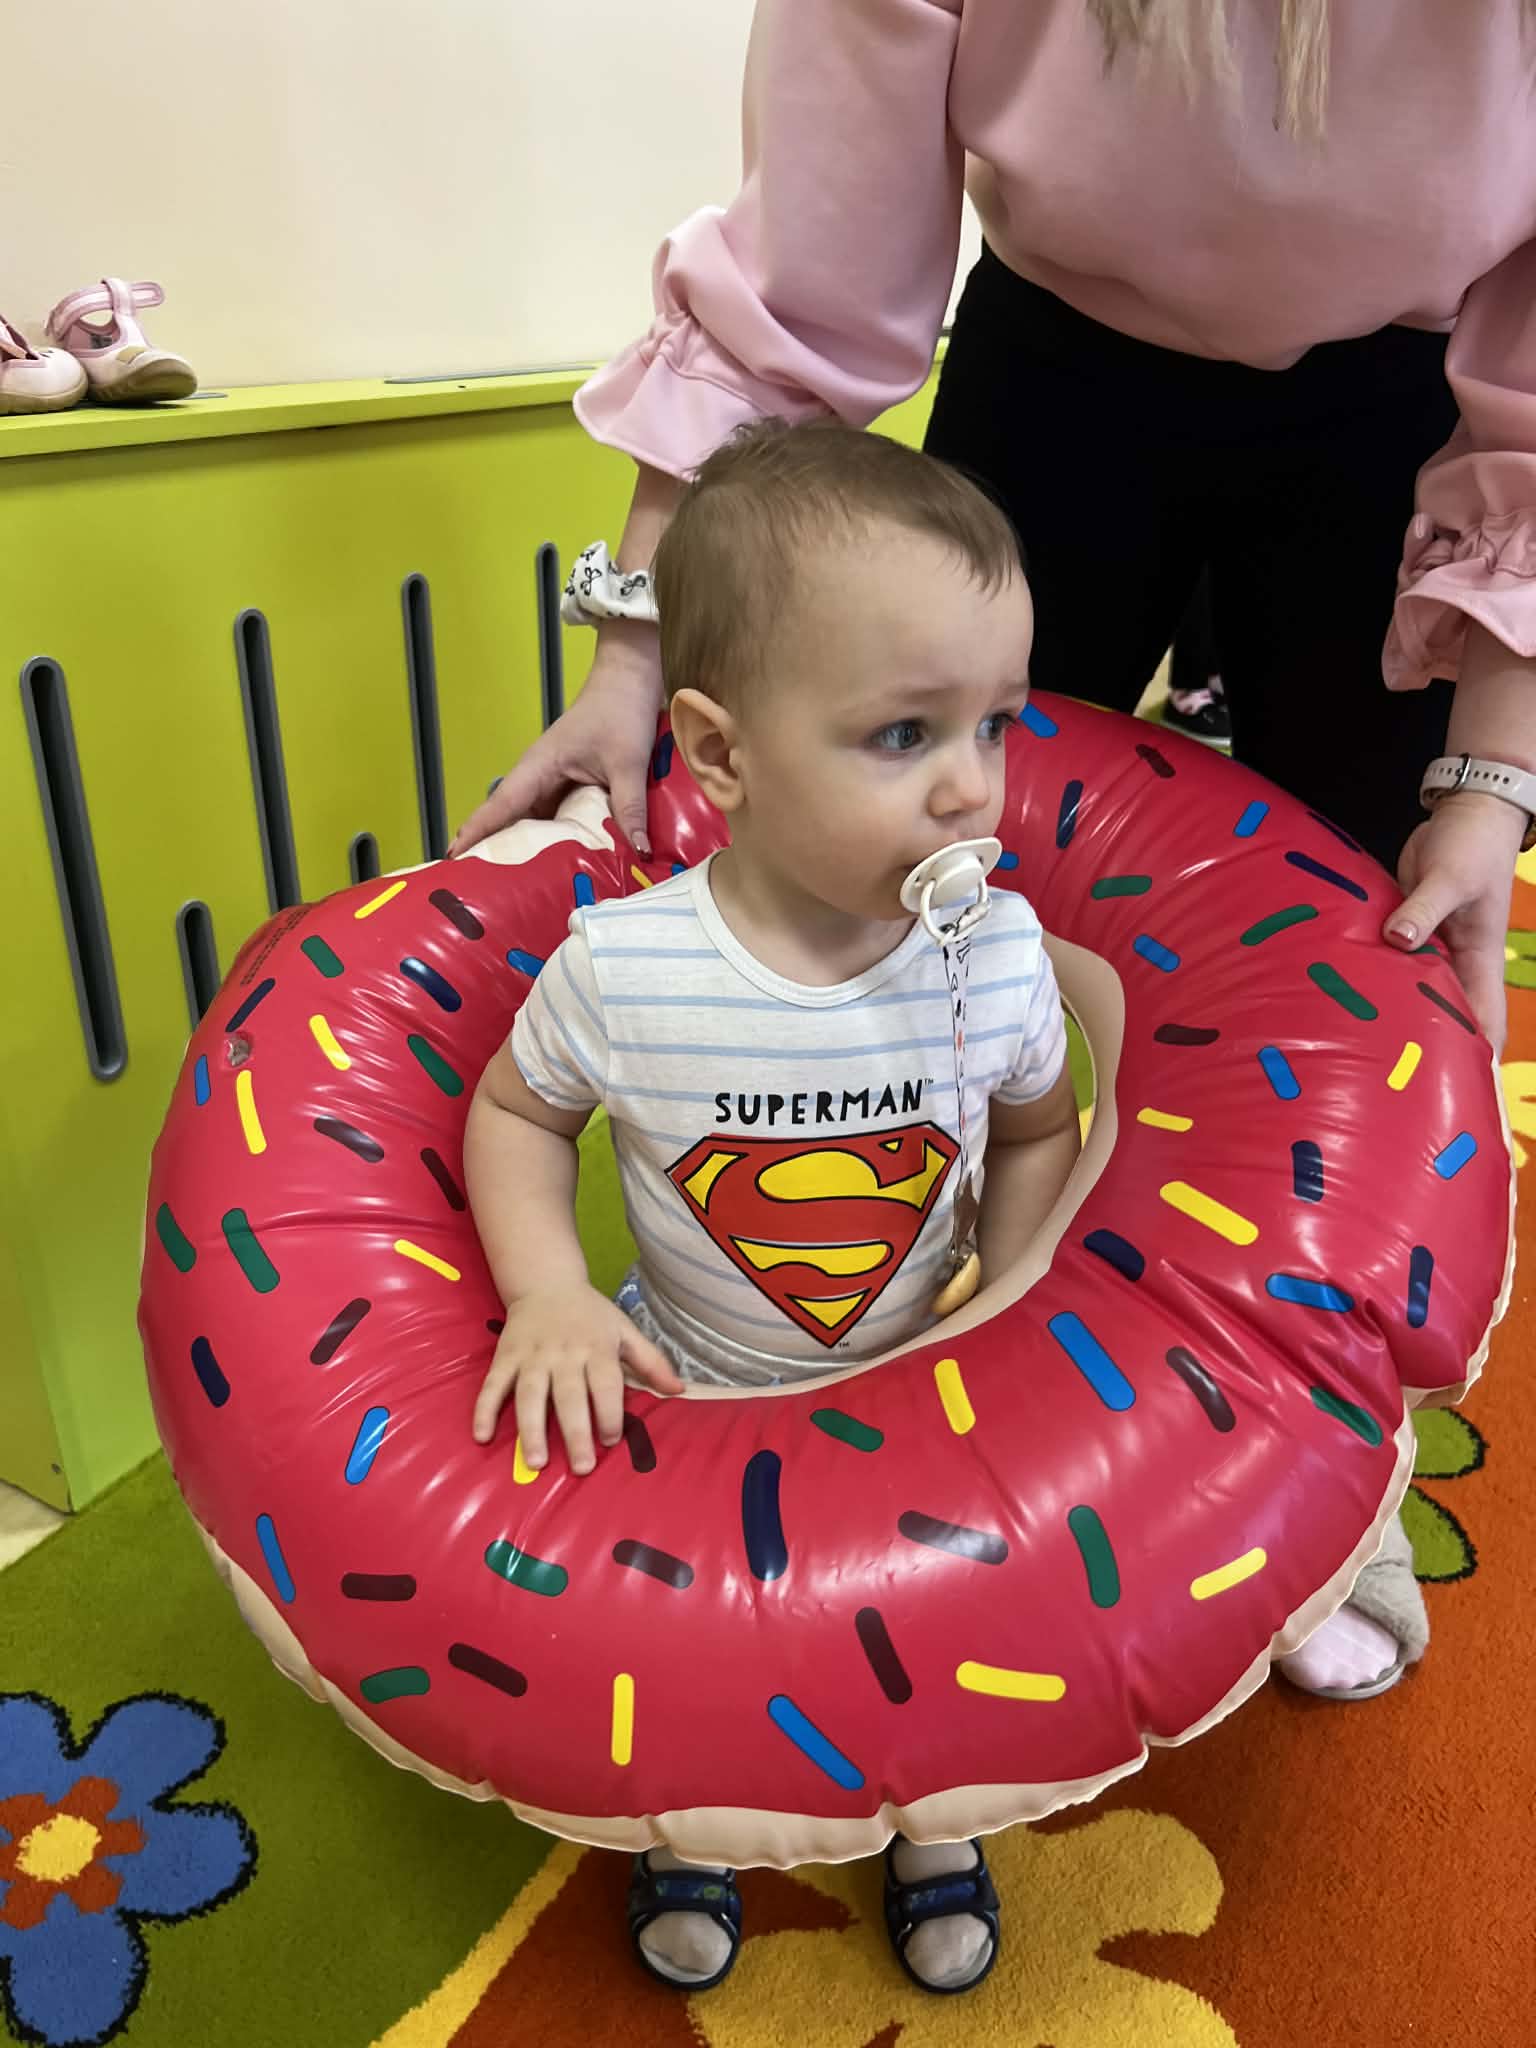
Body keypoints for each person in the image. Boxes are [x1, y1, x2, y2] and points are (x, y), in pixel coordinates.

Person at [453, 0, 1536, 1705]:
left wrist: (1493, 769)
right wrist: (633, 657)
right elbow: (797, 293)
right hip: (1061, 372)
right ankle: (870, 1355)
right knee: (899, 862)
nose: (970, 779)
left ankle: (1321, 1469)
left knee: (1351, 954)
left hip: (1401, 413)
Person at [463, 421, 1082, 1995]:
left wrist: (1013, 1298)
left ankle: (935, 1826)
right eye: (903, 733)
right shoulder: (627, 967)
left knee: (940, 1641)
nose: (972, 786)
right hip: (691, 1397)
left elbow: (1034, 1134)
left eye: (996, 724)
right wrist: (549, 1292)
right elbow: (518, 1114)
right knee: (692, 1661)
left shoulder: (1000, 956)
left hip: (916, 1392)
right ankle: (688, 1834)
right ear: (722, 756)